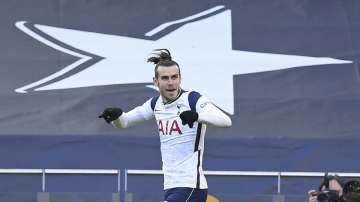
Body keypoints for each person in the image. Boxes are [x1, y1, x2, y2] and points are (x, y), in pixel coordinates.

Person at [99, 49, 232, 202]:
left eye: (174, 77)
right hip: (170, 185)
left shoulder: (193, 100)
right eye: (165, 78)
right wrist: (116, 116)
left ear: (180, 78)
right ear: (156, 81)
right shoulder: (155, 104)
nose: (171, 82)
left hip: (190, 185)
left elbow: (225, 121)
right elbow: (125, 122)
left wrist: (197, 116)